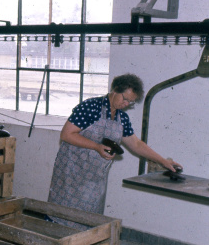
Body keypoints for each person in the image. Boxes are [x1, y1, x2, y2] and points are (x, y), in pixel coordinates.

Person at [48, 73, 182, 217]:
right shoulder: (90, 107)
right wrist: (96, 146)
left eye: (130, 102)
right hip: (71, 171)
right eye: (125, 99)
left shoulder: (122, 118)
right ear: (115, 90)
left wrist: (163, 161)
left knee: (89, 216)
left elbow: (136, 144)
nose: (126, 104)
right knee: (62, 212)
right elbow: (66, 134)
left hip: (95, 177)